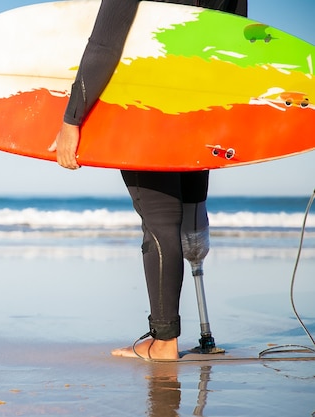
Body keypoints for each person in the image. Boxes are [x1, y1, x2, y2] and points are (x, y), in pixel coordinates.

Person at [51, 0, 248, 360]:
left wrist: (71, 120)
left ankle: (164, 341)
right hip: (201, 111)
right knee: (190, 216)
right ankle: (187, 335)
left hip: (146, 108)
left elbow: (104, 46)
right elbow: (235, 42)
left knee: (158, 224)